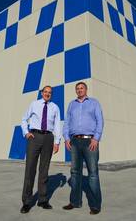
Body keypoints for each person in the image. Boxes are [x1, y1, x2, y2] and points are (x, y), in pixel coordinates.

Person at [62, 81, 104, 215]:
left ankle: (95, 205)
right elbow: (67, 122)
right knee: (75, 172)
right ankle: (75, 202)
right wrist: (67, 138)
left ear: (86, 90)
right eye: (77, 89)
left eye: (82, 88)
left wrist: (96, 138)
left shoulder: (94, 103)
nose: (79, 90)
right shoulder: (71, 104)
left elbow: (100, 121)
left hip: (89, 142)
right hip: (74, 141)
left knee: (92, 174)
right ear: (76, 91)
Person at [20, 85, 61, 214]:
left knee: (44, 170)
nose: (47, 94)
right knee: (30, 169)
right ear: (41, 93)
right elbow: (24, 119)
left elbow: (57, 125)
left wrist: (57, 142)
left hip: (48, 138)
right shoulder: (34, 104)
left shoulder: (55, 107)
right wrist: (26, 132)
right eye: (45, 92)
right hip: (34, 137)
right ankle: (27, 202)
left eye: (50, 92)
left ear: (51, 94)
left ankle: (42, 200)